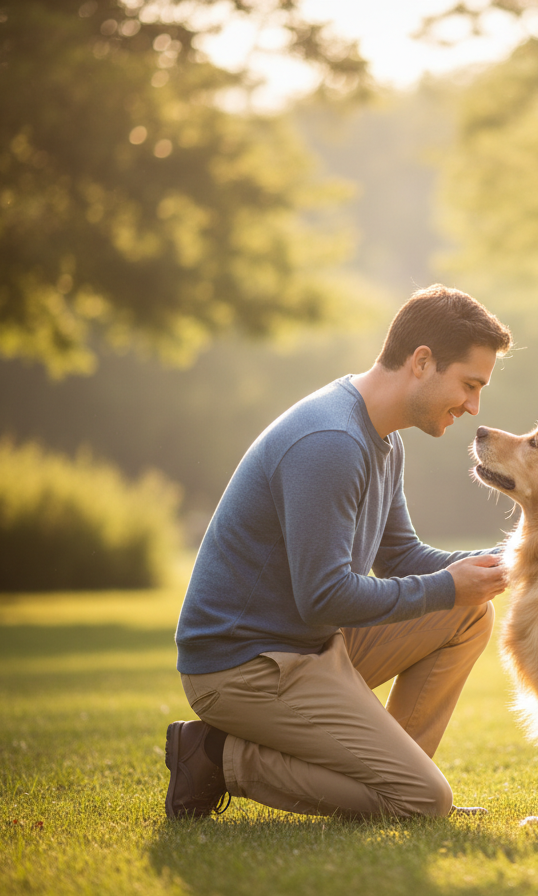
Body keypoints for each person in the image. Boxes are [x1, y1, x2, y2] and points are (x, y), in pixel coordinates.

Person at [165, 284, 512, 820]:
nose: (473, 406)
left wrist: (522, 557)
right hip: (244, 666)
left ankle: (397, 783)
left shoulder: (384, 438)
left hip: (308, 644)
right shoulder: (332, 441)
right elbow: (323, 597)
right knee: (425, 800)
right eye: (470, 385)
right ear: (422, 362)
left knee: (468, 613)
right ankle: (214, 755)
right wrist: (448, 586)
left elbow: (400, 557)